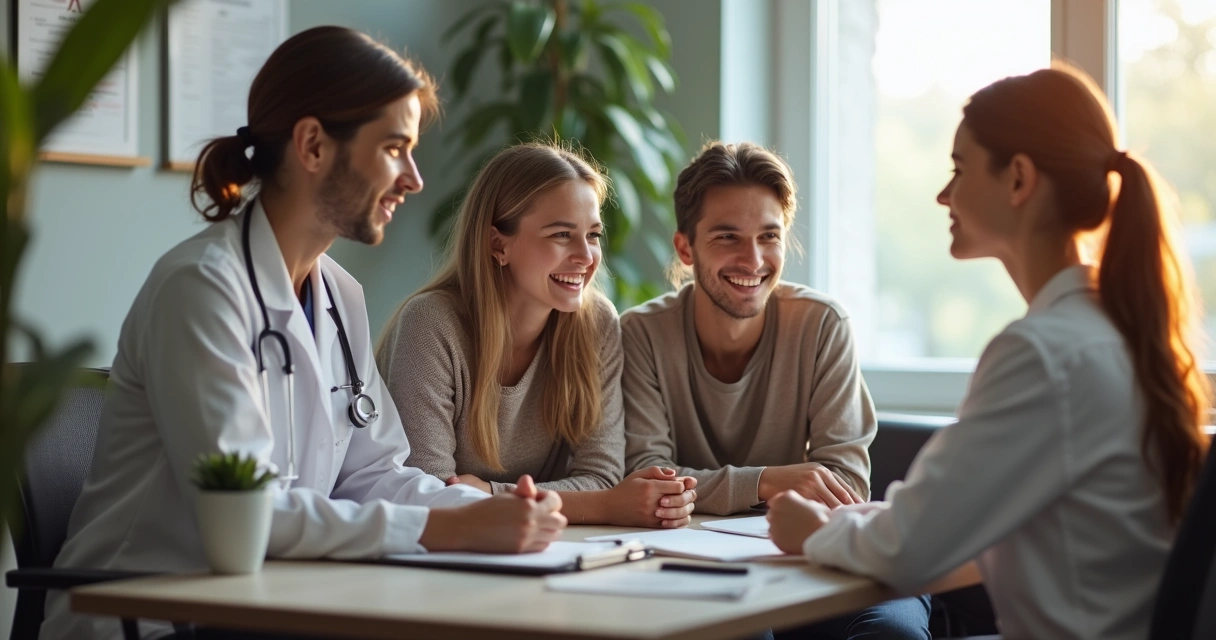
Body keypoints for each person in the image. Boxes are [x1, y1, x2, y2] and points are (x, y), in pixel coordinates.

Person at [43, 27, 565, 640]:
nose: (414, 179)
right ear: (313, 145)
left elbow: (375, 473)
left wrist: (491, 510)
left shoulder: (340, 295)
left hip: (270, 604)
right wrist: (444, 530)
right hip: (150, 620)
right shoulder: (202, 288)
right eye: (395, 148)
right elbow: (242, 517)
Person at [767, 63, 1211, 640]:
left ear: (1019, 179)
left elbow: (907, 551)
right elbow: (951, 516)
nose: (942, 194)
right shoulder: (1117, 333)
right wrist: (866, 519)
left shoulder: (1043, 355)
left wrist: (811, 531)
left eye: (959, 169)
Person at [622, 141, 930, 638]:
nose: (754, 259)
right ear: (685, 248)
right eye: (728, 237)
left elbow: (844, 486)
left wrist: (719, 487)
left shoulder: (822, 325)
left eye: (770, 236)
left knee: (895, 633)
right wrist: (768, 480)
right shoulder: (639, 334)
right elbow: (649, 483)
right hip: (697, 566)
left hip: (818, 560)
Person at [377, 142, 697, 528]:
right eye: (562, 234)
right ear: (498, 244)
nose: (586, 256)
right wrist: (604, 506)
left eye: (593, 235)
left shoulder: (595, 324)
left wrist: (492, 493)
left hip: (543, 543)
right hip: (439, 554)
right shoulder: (430, 324)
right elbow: (427, 494)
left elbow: (602, 476)